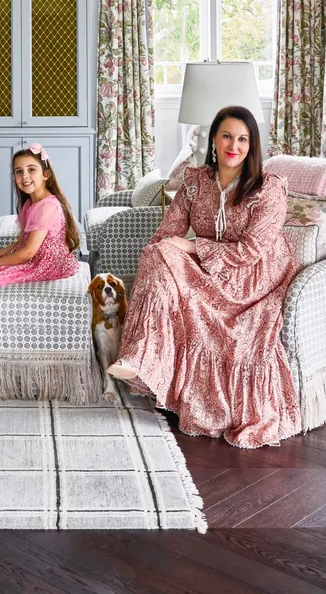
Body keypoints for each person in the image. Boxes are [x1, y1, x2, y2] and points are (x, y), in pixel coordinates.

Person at [109, 105, 301, 449]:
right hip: (209, 266)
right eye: (227, 136)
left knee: (170, 252)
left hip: (254, 277)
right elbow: (167, 233)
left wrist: (191, 247)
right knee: (159, 252)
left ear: (252, 145)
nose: (234, 146)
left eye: (242, 139)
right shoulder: (195, 181)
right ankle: (142, 357)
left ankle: (147, 361)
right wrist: (162, 259)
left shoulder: (268, 188)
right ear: (213, 138)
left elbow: (251, 250)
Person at [0, 144, 80, 334]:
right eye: (19, 172)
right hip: (34, 257)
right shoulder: (31, 203)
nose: (25, 177)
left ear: (46, 175)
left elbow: (28, 251)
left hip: (46, 263)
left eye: (31, 170)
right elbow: (22, 241)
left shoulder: (47, 207)